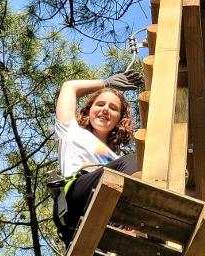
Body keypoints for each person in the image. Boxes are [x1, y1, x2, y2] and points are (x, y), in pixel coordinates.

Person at [52, 70, 143, 245]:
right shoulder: (71, 131)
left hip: (108, 208)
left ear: (119, 119)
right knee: (138, 160)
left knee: (136, 165)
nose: (105, 110)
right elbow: (69, 87)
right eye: (100, 104)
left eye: (113, 108)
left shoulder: (117, 158)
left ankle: (128, 228)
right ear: (89, 110)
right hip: (77, 199)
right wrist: (106, 83)